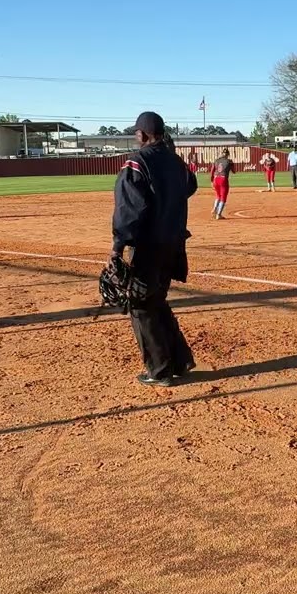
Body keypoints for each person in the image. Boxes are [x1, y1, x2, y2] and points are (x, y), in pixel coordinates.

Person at [112, 111, 198, 387]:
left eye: (136, 133)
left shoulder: (137, 162)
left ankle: (159, 370)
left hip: (149, 245)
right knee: (156, 301)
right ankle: (181, 360)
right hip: (174, 244)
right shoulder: (176, 162)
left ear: (142, 134)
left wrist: (117, 246)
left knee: (140, 306)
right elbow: (190, 186)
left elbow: (130, 208)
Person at [210, 148, 235, 219]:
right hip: (223, 179)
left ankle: (215, 208)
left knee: (218, 195)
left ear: (222, 153)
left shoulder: (216, 160)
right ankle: (219, 214)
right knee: (223, 197)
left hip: (216, 178)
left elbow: (212, 171)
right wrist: (232, 165)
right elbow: (234, 171)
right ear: (228, 154)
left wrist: (211, 181)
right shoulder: (229, 161)